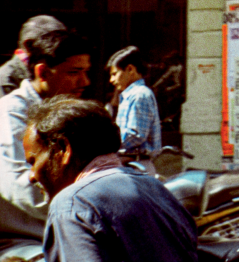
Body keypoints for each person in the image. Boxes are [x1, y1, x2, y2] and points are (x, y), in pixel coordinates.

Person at [22, 97, 197, 261]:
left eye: (33, 161)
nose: (31, 176)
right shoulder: (154, 187)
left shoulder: (71, 204)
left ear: (62, 149)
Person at [0, 17, 90, 245]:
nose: (85, 81)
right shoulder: (11, 112)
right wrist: (90, 206)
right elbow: (21, 188)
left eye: (86, 72)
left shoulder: (67, 110)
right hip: (24, 239)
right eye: (74, 72)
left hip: (66, 230)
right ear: (42, 72)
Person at [107, 46, 161, 154]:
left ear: (130, 69)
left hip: (137, 164)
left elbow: (135, 135)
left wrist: (106, 143)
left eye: (114, 74)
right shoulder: (129, 95)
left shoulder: (140, 95)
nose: (111, 80)